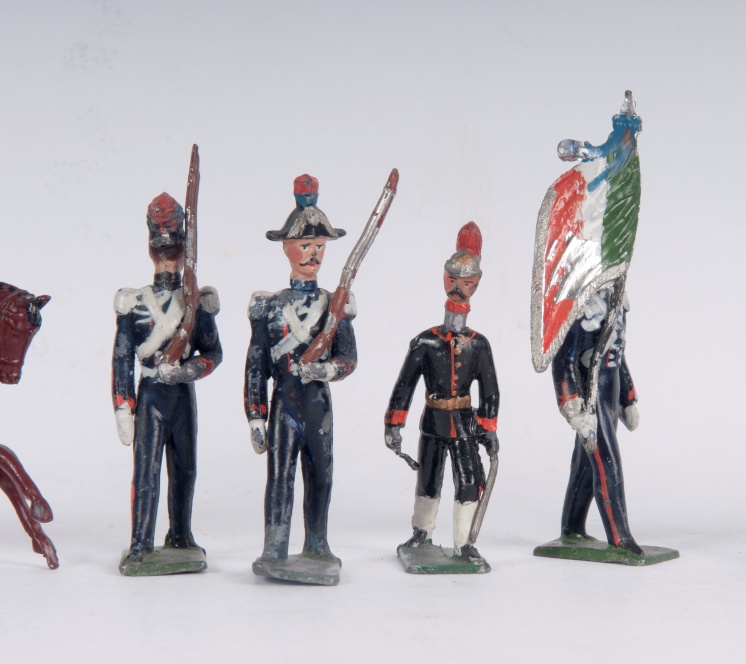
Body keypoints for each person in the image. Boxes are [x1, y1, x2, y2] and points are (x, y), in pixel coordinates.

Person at [243, 174, 357, 576]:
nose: (313, 254)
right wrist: (255, 417)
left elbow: (348, 358)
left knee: (320, 476)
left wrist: (324, 368)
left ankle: (318, 545)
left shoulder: (334, 304)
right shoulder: (271, 307)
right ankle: (274, 549)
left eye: (319, 246)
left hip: (317, 403)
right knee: (280, 478)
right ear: (287, 248)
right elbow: (256, 365)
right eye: (306, 246)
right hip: (285, 403)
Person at [112, 192, 222, 572]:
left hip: (181, 395)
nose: (165, 253)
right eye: (160, 245)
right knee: (146, 471)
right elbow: (122, 358)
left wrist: (189, 371)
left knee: (185, 469)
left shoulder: (195, 301)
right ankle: (140, 542)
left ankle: (180, 535)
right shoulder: (135, 303)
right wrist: (123, 407)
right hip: (150, 396)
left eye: (171, 244)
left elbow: (213, 351)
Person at [384, 222, 499, 564]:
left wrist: (488, 428)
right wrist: (394, 424)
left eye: (468, 284)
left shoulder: (479, 345)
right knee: (428, 479)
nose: (459, 290)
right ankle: (421, 533)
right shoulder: (425, 342)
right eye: (454, 281)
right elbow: (404, 386)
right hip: (433, 422)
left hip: (464, 426)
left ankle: (464, 543)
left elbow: (490, 391)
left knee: (469, 482)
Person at [551, 286, 641, 554]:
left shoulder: (617, 303)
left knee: (586, 466)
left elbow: (618, 355)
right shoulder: (581, 309)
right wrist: (574, 408)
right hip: (591, 398)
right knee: (607, 462)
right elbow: (564, 361)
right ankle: (619, 536)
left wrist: (628, 398)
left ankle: (572, 526)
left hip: (610, 394)